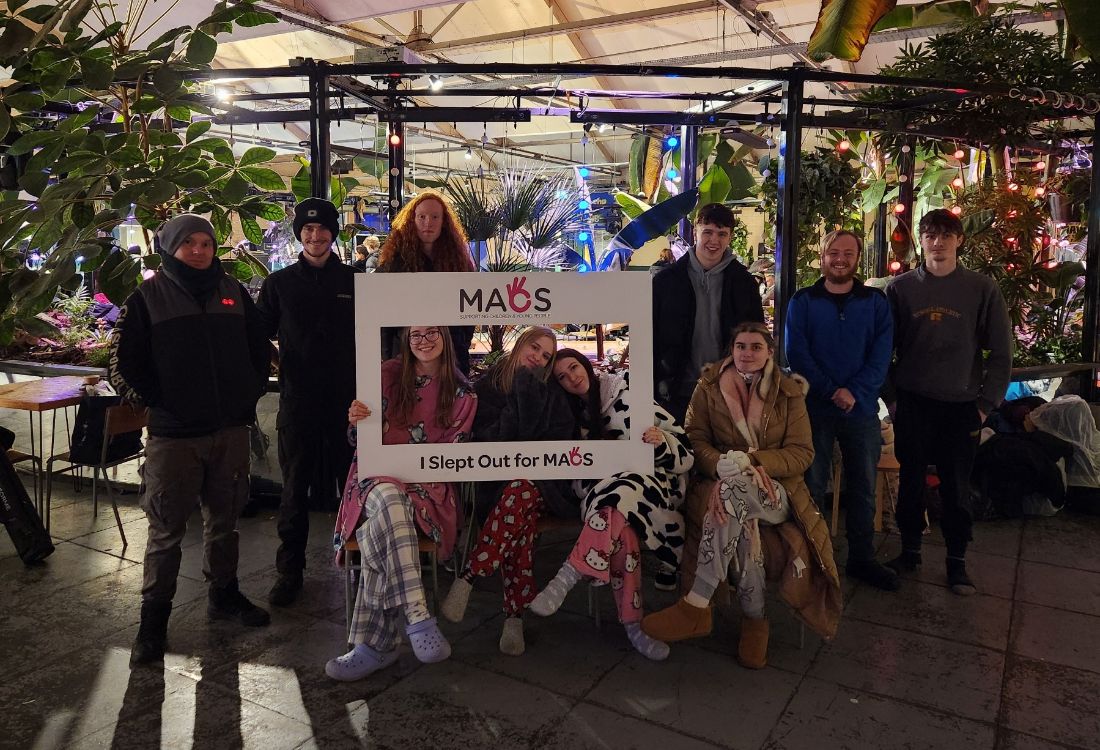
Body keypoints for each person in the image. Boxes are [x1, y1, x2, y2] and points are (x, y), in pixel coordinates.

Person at [109, 214, 273, 666]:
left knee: (226, 522)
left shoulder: (235, 292)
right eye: (189, 244)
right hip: (174, 437)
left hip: (229, 431)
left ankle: (224, 595)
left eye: (206, 243)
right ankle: (152, 624)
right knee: (165, 532)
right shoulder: (146, 298)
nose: (199, 250)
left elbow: (260, 349)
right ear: (170, 248)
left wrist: (248, 392)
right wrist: (158, 402)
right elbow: (121, 362)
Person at [641, 322, 841, 669]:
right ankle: (755, 621)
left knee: (737, 493)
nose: (747, 354)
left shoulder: (789, 393)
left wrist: (752, 460)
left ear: (769, 353)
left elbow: (802, 452)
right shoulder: (708, 387)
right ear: (730, 350)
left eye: (756, 347)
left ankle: (696, 604)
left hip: (776, 491)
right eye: (740, 346)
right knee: (743, 524)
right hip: (722, 483)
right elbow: (694, 438)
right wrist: (718, 464)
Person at [325, 325, 477, 681]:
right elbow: (357, 440)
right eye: (415, 335)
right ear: (406, 341)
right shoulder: (385, 374)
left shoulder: (463, 391)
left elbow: (453, 459)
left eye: (431, 333)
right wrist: (356, 421)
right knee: (390, 500)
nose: (423, 341)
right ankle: (418, 615)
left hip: (427, 489)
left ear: (446, 337)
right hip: (374, 479)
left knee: (388, 522)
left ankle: (375, 647)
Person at [528, 350, 694, 661]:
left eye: (574, 368)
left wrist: (662, 443)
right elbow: (570, 473)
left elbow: (685, 452)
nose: (572, 378)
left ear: (586, 365)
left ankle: (569, 574)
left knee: (623, 495)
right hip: (604, 498)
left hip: (649, 490)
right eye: (562, 377)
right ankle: (634, 627)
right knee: (622, 533)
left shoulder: (630, 395)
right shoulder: (569, 417)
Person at [886, 208, 1013, 595]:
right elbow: (882, 352)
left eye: (946, 235)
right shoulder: (900, 289)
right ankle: (909, 551)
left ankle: (957, 561)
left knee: (957, 487)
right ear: (921, 240)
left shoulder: (981, 289)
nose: (937, 241)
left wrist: (984, 404)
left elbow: (1002, 354)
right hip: (912, 403)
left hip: (961, 406)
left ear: (959, 240)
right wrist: (891, 400)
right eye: (930, 234)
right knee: (909, 482)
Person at [439, 326, 576, 655]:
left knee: (523, 490)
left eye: (546, 355)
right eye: (535, 347)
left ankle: (472, 573)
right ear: (520, 344)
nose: (538, 357)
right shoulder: (486, 386)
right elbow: (485, 440)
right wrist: (519, 402)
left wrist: (529, 397)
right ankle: (513, 618)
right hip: (497, 484)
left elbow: (559, 440)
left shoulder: (552, 393)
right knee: (519, 509)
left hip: (544, 485)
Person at [257, 198, 359, 607]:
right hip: (297, 403)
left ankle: (357, 566)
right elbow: (257, 333)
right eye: (308, 230)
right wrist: (283, 364)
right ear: (299, 234)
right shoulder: (278, 284)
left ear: (333, 234)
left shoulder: (355, 280)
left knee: (352, 488)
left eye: (322, 229)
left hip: (348, 405)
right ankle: (289, 571)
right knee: (294, 490)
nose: (315, 236)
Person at [785, 230, 898, 591]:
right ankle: (815, 556)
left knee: (863, 486)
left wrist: (855, 391)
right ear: (822, 256)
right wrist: (833, 390)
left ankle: (861, 558)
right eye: (834, 252)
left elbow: (882, 355)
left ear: (857, 258)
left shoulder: (875, 303)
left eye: (848, 253)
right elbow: (796, 354)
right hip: (814, 409)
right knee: (812, 484)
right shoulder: (802, 301)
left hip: (862, 410)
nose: (840, 259)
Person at [653, 203, 765, 424]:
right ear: (696, 231)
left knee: (724, 458)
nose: (714, 241)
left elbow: (757, 335)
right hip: (676, 390)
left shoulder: (744, 283)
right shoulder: (666, 282)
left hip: (728, 391)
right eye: (708, 232)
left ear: (730, 237)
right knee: (679, 456)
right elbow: (652, 336)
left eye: (722, 234)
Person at [376, 192, 476, 373]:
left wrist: (461, 343)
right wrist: (388, 356)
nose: (428, 222)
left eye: (435, 217)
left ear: (443, 221)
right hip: (406, 355)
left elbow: (469, 312)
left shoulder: (460, 262)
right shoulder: (394, 263)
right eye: (422, 216)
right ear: (412, 219)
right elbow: (382, 316)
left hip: (451, 354)